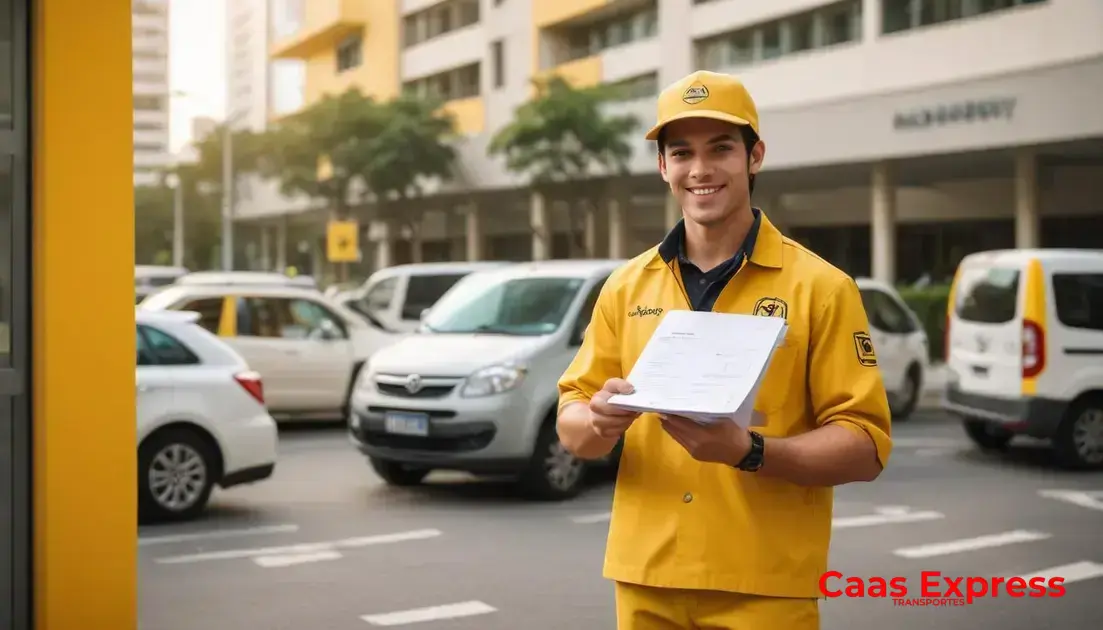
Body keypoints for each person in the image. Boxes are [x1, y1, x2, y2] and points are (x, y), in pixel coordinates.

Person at [556, 70, 893, 630]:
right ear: (663, 166)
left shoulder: (821, 287)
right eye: (682, 152)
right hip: (646, 577)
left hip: (764, 585)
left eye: (721, 149)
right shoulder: (626, 286)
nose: (701, 169)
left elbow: (865, 446)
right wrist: (597, 420)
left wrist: (751, 451)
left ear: (754, 156)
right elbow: (572, 421)